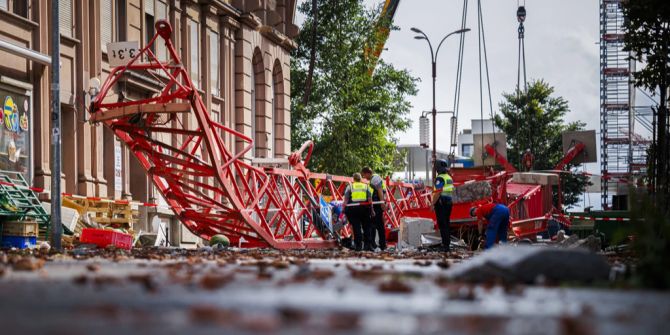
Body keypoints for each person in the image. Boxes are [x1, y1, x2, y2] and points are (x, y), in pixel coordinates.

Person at [342, 173, 373, 251]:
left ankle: (358, 246)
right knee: (366, 228)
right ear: (360, 179)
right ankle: (367, 246)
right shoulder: (366, 186)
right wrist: (372, 210)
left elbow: (345, 200)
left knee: (356, 228)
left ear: (353, 179)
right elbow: (370, 200)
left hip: (353, 209)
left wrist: (343, 209)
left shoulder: (350, 187)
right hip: (365, 209)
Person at [361, 167, 387, 251]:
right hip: (377, 204)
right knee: (377, 225)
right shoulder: (375, 178)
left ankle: (377, 244)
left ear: (367, 173)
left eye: (364, 175)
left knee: (375, 225)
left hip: (377, 205)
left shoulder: (374, 179)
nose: (364, 177)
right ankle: (379, 244)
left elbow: (379, 190)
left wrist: (382, 203)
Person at [432, 159, 454, 252]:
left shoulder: (440, 178)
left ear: (437, 168)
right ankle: (447, 244)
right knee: (446, 223)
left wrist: (432, 204)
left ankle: (445, 246)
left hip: (441, 202)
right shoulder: (449, 177)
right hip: (449, 202)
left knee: (442, 224)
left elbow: (438, 192)